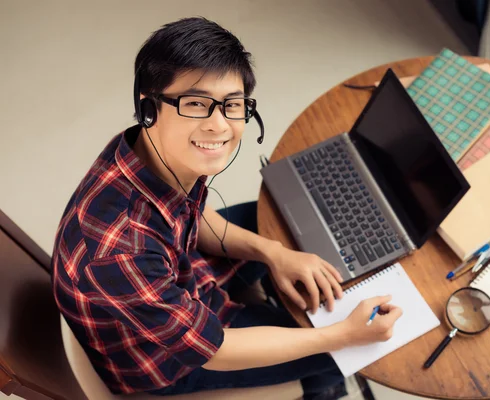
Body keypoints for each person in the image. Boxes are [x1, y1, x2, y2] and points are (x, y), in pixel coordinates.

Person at [51, 16, 403, 399]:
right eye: (196, 104)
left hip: (182, 273)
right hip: (167, 359)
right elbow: (215, 350)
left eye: (231, 105)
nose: (218, 127)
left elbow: (188, 213)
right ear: (148, 106)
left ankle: (288, 305)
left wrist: (274, 253)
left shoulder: (149, 147)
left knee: (276, 224)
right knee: (341, 351)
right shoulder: (118, 252)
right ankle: (322, 389)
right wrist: (343, 335)